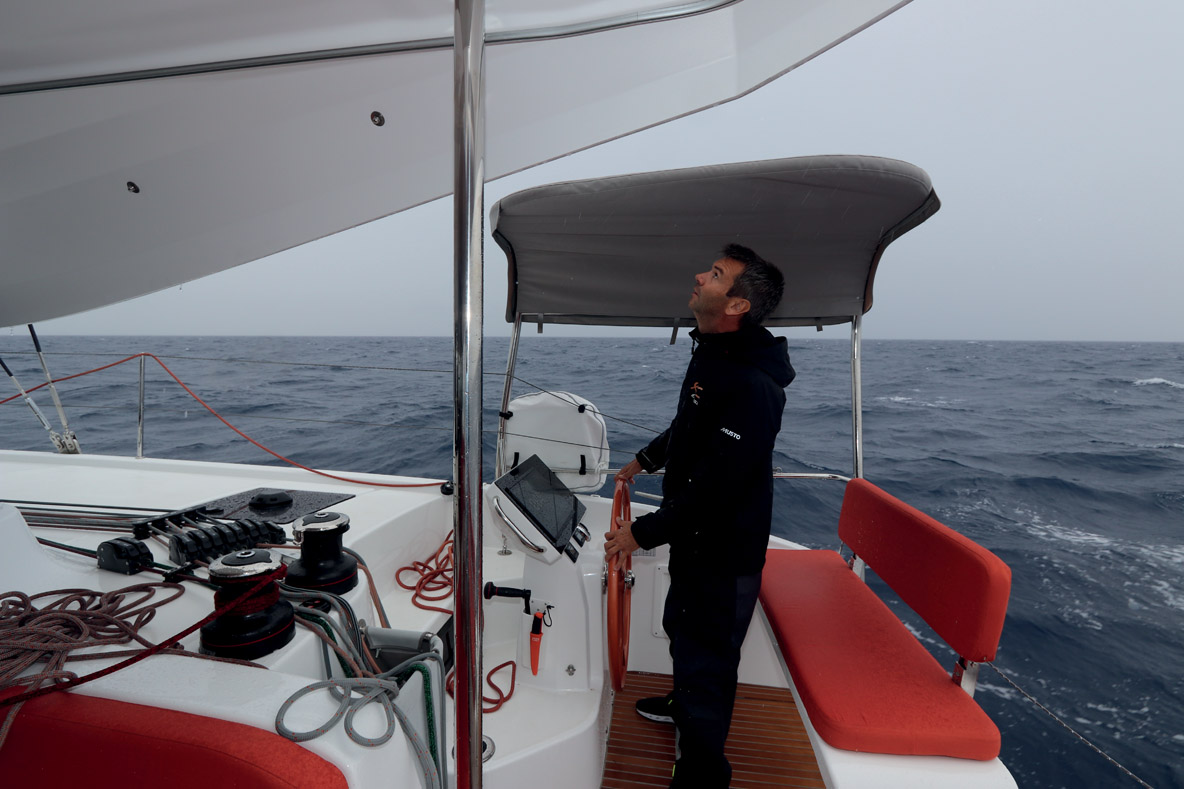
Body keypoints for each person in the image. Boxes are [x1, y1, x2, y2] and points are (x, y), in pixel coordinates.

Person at [605, 243, 794, 788]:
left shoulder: (755, 387)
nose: (699, 276)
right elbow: (691, 424)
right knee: (681, 630)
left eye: (714, 275)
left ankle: (703, 774)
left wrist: (638, 534)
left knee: (708, 663)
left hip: (723, 548)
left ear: (737, 306)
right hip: (695, 539)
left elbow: (718, 489)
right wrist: (646, 459)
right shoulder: (713, 353)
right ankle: (681, 701)